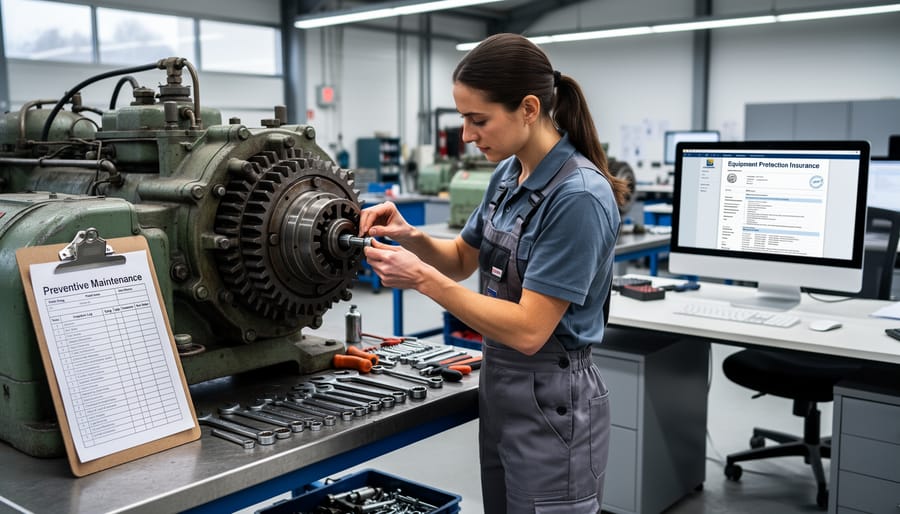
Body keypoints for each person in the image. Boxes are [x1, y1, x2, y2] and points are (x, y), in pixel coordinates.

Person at [358, 32, 630, 513]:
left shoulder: (578, 198)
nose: (466, 134)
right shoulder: (509, 175)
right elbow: (464, 258)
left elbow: (529, 330)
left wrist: (421, 278)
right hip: (502, 387)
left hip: (552, 400)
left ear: (528, 108)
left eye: (477, 119)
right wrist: (411, 237)